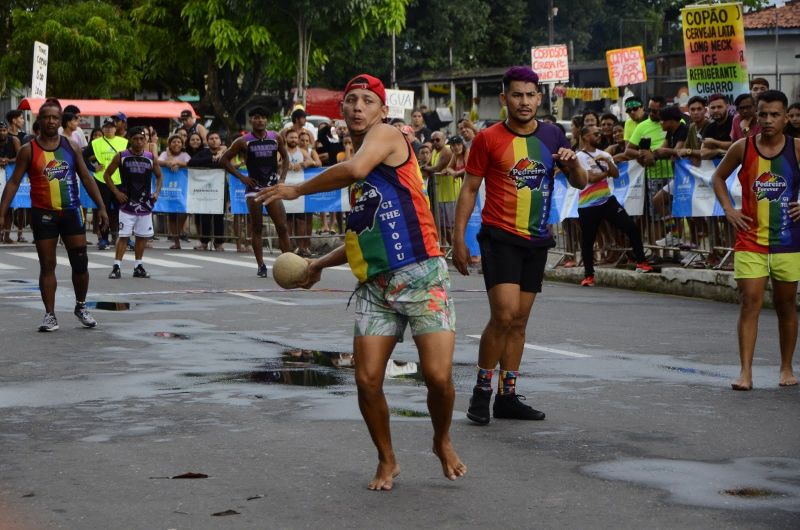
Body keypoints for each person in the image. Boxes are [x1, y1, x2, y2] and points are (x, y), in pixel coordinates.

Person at [258, 73, 466, 490]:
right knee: (367, 379)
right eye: (350, 100)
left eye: (367, 101)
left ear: (382, 110)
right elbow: (360, 235)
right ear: (341, 110)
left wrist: (297, 190)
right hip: (375, 286)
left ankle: (441, 439)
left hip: (422, 275)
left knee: (438, 377)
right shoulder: (361, 180)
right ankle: (387, 459)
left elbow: (352, 167)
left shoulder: (388, 137)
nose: (357, 107)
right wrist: (318, 265)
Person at [452, 66, 587, 425]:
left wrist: (571, 164)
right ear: (504, 99)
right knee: (504, 315)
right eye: (517, 95)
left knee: (520, 321)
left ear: (539, 98)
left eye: (530, 95)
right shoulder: (487, 139)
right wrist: (458, 238)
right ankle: (481, 391)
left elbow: (580, 181)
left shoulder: (554, 134)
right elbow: (468, 189)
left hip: (537, 239)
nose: (524, 102)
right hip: (499, 236)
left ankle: (507, 396)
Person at [711, 89, 799, 391]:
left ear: (787, 118)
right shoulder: (742, 147)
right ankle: (745, 372)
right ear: (755, 116)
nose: (768, 120)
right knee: (750, 302)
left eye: (775, 114)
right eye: (763, 114)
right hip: (750, 239)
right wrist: (728, 210)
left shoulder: (797, 148)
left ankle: (786, 368)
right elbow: (718, 177)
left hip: (789, 241)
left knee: (786, 305)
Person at [0, 101, 109, 331]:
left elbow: (88, 178)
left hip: (71, 212)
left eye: (55, 118)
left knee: (80, 263)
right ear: (39, 120)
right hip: (43, 214)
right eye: (47, 117)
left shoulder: (70, 146)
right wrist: (2, 213)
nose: (51, 121)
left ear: (60, 121)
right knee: (47, 266)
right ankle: (50, 315)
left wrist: (101, 207)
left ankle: (81, 306)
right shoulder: (28, 150)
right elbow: (13, 182)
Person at [576, 125, 651, 287]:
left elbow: (615, 174)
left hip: (607, 200)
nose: (599, 136)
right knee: (588, 240)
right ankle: (589, 275)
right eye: (595, 134)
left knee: (630, 227)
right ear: (584, 137)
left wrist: (608, 163)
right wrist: (606, 172)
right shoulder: (579, 157)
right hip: (588, 205)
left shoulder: (604, 154)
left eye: (599, 133)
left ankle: (642, 262)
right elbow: (591, 178)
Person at [221, 107, 292, 277]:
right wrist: (241, 177)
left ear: (267, 120)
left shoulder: (276, 137)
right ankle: (261, 265)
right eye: (256, 118)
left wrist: (282, 179)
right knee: (257, 227)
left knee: (282, 226)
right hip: (254, 190)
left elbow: (286, 157)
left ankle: (288, 263)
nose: (260, 120)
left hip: (272, 188)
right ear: (251, 120)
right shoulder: (243, 141)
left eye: (263, 118)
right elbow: (224, 159)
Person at [103, 126, 163, 279]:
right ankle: (116, 266)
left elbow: (159, 176)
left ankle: (138, 266)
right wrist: (116, 192)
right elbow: (106, 175)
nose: (139, 142)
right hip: (126, 203)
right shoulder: (121, 156)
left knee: (142, 236)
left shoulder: (150, 157)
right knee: (123, 236)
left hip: (144, 204)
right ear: (130, 140)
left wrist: (156, 193)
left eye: (142, 139)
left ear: (145, 140)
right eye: (135, 139)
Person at [90, 118, 129, 250]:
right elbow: (83, 156)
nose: (109, 129)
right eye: (106, 127)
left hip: (119, 181)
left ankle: (125, 239)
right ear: (103, 129)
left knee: (123, 211)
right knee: (103, 210)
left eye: (111, 127)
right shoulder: (96, 142)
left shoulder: (123, 142)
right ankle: (104, 239)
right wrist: (93, 166)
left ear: (115, 128)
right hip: (101, 180)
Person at [157, 134, 191, 249]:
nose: (176, 144)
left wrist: (178, 163)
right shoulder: (164, 154)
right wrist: (167, 163)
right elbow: (158, 161)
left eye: (179, 142)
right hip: (168, 189)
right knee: (171, 215)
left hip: (182, 189)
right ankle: (176, 241)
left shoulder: (185, 155)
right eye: (174, 142)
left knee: (184, 211)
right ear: (170, 144)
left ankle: (179, 230)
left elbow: (189, 163)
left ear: (182, 145)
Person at [701, 94, 733, 159]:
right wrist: (718, 151)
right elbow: (702, 153)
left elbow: (738, 145)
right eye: (713, 108)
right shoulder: (709, 127)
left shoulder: (735, 122)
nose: (716, 110)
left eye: (719, 107)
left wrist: (714, 142)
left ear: (727, 107)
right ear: (709, 109)